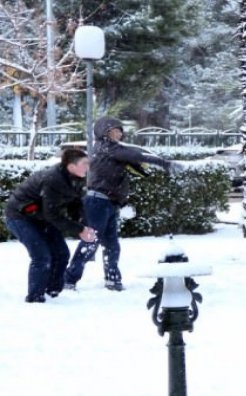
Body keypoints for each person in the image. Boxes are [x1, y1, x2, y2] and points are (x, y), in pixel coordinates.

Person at [64, 116, 181, 292]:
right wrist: (165, 164)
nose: (118, 133)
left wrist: (147, 170)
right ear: (104, 133)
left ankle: (112, 279)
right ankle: (69, 279)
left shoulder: (109, 150)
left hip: (109, 203)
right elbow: (137, 155)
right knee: (91, 241)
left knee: (111, 245)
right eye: (114, 130)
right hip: (97, 202)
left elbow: (135, 162)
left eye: (120, 130)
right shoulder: (108, 148)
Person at [5, 149, 97, 303]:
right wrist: (79, 230)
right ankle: (35, 298)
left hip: (41, 216)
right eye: (84, 164)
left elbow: (75, 204)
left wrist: (85, 225)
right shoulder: (53, 179)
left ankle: (52, 292)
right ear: (71, 166)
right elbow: (52, 215)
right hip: (20, 216)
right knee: (42, 256)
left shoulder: (77, 177)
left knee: (61, 254)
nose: (88, 167)